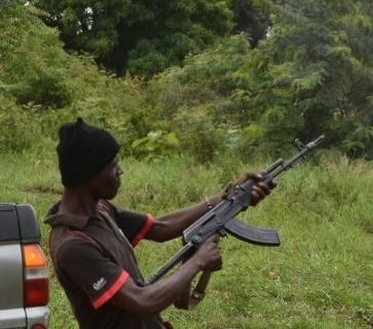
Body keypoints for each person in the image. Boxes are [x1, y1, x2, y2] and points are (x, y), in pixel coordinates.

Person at [44, 118, 273, 329]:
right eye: (113, 166)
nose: (120, 171)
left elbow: (159, 227)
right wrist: (197, 262)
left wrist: (225, 197)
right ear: (89, 173)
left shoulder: (100, 209)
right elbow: (142, 301)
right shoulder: (73, 244)